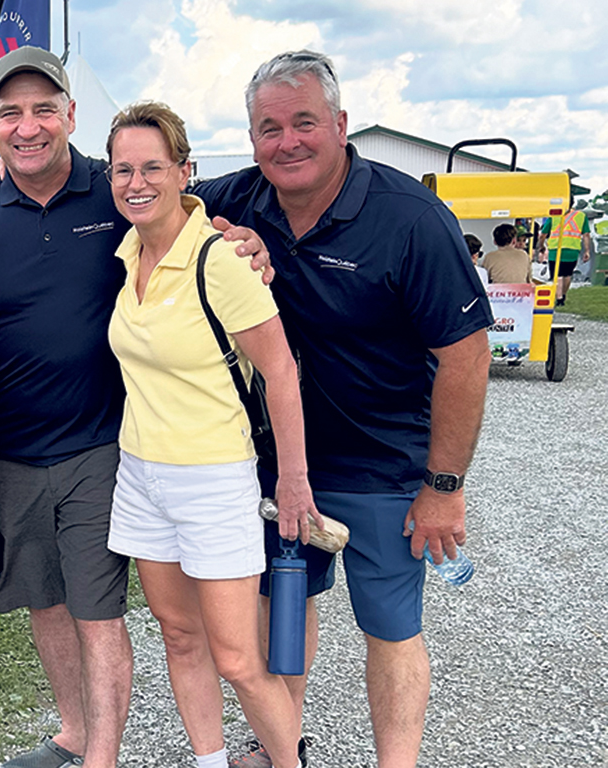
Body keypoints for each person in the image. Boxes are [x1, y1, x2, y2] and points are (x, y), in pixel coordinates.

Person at [0, 46, 271, 768]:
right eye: (11, 113)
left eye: (43, 110)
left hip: (101, 445)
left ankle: (102, 759)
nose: (28, 128)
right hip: (13, 450)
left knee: (96, 609)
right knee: (44, 603)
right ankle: (74, 730)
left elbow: (193, 216)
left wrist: (245, 237)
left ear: (70, 115)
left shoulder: (115, 188)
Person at [192, 50, 493, 768]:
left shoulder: (410, 218)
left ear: (340, 124)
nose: (287, 141)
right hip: (278, 464)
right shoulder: (232, 201)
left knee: (390, 627)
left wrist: (443, 487)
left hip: (384, 465)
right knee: (284, 611)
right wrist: (25, 175)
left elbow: (467, 356)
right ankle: (281, 745)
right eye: (269, 128)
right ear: (251, 137)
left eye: (304, 122)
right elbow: (144, 193)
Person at [103, 100, 312, 768]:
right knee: (180, 636)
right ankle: (209, 761)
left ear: (185, 171)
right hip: (139, 474)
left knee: (239, 659)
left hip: (214, 477)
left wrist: (294, 479)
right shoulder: (128, 248)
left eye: (152, 168)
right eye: (122, 170)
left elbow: (280, 370)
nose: (136, 183)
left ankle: (288, 762)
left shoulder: (218, 258)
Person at [537, 201, 590, 304]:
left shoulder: (554, 215)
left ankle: (559, 298)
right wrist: (587, 251)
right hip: (572, 249)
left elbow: (543, 234)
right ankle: (563, 294)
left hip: (555, 249)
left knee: (557, 275)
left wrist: (541, 246)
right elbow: (586, 235)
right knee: (567, 274)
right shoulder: (581, 216)